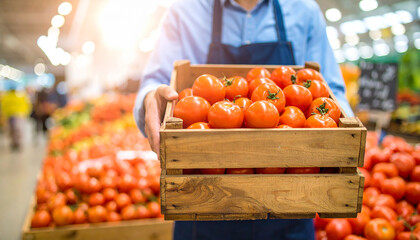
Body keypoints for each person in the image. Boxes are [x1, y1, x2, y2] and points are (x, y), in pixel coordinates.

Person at [134, 0, 354, 239]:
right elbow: (156, 81)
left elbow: (331, 91)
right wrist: (150, 98)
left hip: (292, 209)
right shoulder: (184, 11)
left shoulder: (304, 10)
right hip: (201, 206)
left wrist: (336, 133)